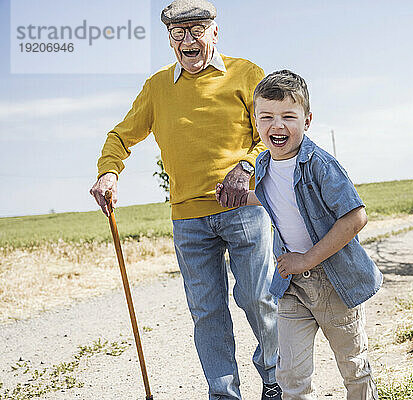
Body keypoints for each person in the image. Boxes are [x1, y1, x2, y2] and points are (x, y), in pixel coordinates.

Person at [89, 1, 281, 399]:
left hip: (244, 209)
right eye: (179, 33)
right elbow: (120, 136)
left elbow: (272, 135)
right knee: (207, 312)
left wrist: (245, 166)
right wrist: (109, 171)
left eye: (197, 30)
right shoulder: (157, 87)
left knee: (258, 299)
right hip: (188, 220)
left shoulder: (247, 74)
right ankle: (223, 393)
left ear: (215, 31)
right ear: (169, 39)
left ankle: (274, 382)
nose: (188, 40)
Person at [216, 70, 382, 400]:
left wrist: (306, 258)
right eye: (266, 117)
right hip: (291, 286)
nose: (277, 126)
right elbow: (273, 196)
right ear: (256, 120)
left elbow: (355, 217)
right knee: (290, 374)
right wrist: (237, 196)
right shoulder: (262, 164)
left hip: (333, 281)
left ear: (307, 120)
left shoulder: (320, 164)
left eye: (288, 117)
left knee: (354, 368)